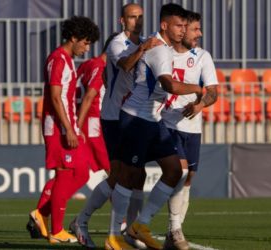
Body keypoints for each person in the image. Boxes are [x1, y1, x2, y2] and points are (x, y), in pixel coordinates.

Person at [106, 3, 203, 249]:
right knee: (128, 177)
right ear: (164, 25)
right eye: (178, 25)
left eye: (185, 25)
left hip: (154, 119)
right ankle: (114, 238)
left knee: (174, 171)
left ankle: (141, 224)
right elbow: (169, 86)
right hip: (136, 119)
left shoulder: (163, 47)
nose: (183, 30)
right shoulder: (159, 50)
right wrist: (198, 89)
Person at [69, 3, 160, 249]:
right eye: (132, 17)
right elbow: (126, 65)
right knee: (120, 175)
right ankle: (83, 221)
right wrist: (144, 48)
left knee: (138, 175)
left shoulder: (146, 43)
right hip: (114, 118)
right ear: (122, 20)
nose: (137, 21)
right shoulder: (117, 43)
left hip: (137, 116)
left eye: (140, 16)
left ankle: (131, 232)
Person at [25, 16, 99, 244]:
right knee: (66, 174)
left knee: (81, 173)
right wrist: (68, 128)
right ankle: (56, 229)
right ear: (74, 38)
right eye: (85, 43)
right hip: (57, 127)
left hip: (67, 125)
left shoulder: (67, 60)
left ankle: (41, 213)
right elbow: (56, 98)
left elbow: (65, 100)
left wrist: (76, 127)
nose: (87, 48)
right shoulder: (58, 60)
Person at [161, 10, 218, 250]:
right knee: (180, 172)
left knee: (188, 179)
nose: (199, 34)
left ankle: (171, 233)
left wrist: (200, 104)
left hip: (192, 127)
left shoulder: (203, 56)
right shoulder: (163, 54)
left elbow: (213, 92)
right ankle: (175, 230)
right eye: (194, 29)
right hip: (166, 123)